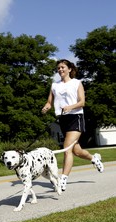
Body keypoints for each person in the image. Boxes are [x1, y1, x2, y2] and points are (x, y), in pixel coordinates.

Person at [41, 59, 104, 191]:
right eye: (58, 68)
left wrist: (70, 107)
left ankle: (62, 180)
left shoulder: (77, 83)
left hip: (76, 117)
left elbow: (82, 102)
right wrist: (46, 107)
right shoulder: (54, 85)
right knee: (76, 151)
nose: (60, 70)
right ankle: (94, 158)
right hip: (63, 119)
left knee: (66, 149)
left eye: (63, 67)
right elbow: (49, 102)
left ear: (69, 69)